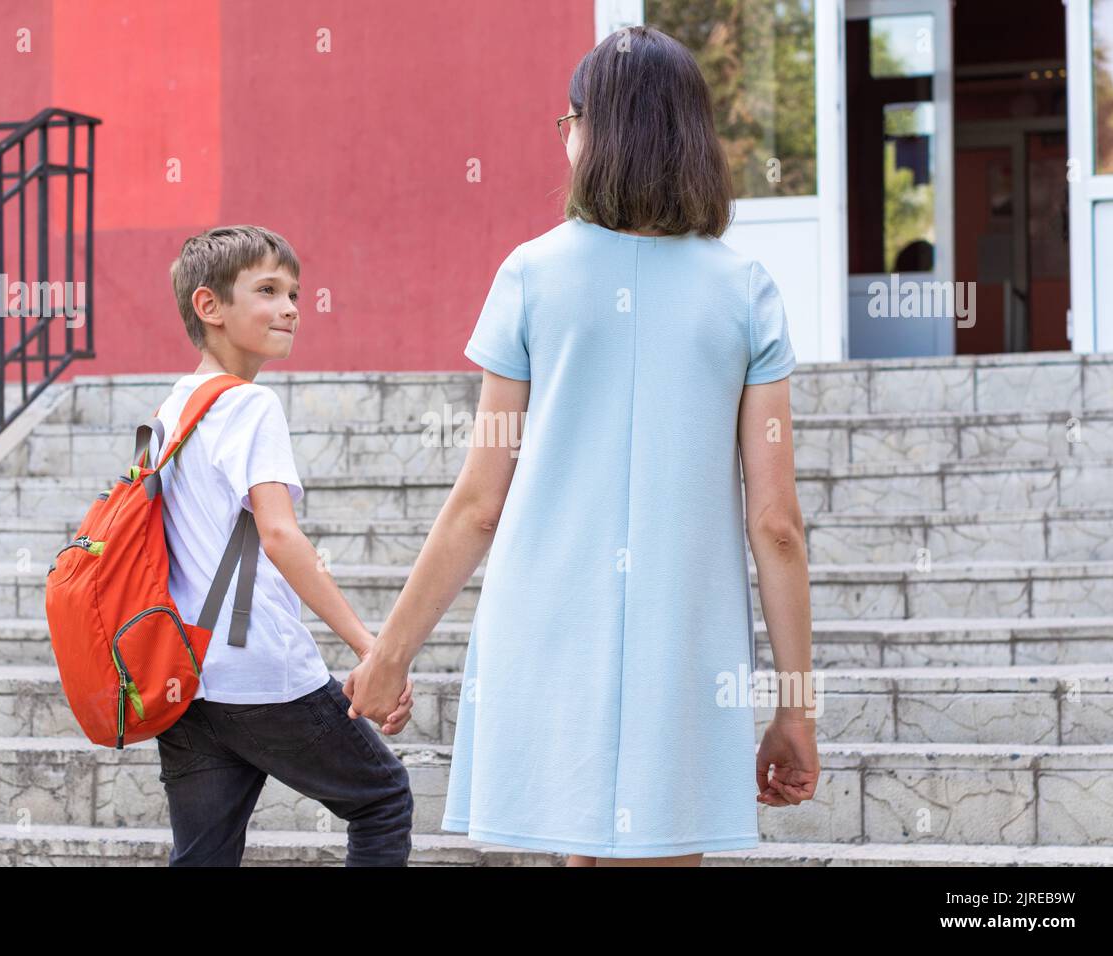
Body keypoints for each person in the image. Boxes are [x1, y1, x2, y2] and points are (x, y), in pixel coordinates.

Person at [344, 25, 820, 867]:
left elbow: (479, 502)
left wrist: (388, 657)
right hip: (684, 632)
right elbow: (776, 521)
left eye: (568, 121)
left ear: (591, 132)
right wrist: (794, 707)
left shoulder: (530, 274)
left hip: (547, 623)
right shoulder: (746, 291)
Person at [149, 225, 416, 866]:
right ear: (209, 307)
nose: (292, 307)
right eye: (267, 290)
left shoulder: (171, 412)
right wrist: (369, 646)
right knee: (382, 800)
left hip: (186, 677)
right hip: (260, 669)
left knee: (202, 858)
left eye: (294, 292)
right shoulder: (251, 406)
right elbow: (277, 534)